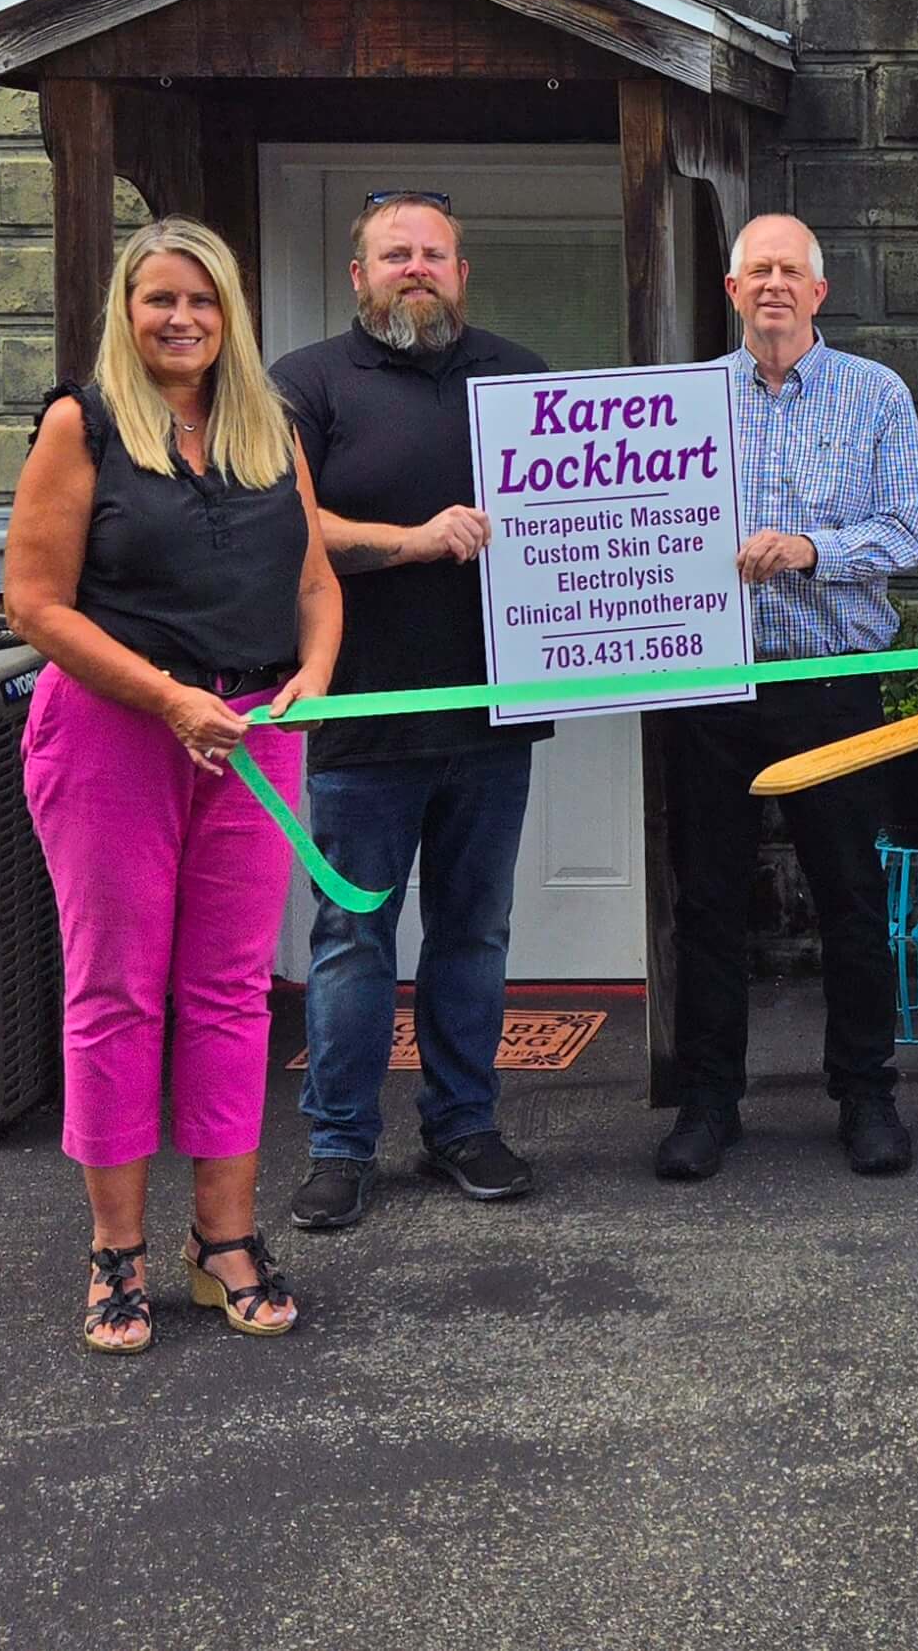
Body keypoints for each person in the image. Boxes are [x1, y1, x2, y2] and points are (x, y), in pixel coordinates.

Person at [5, 219, 341, 1350]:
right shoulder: (82, 423)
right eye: (160, 299)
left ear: (230, 310)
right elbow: (34, 605)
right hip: (116, 732)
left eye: (201, 299)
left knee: (230, 991)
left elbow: (313, 580)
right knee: (116, 991)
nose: (182, 318)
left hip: (250, 735)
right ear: (127, 308)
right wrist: (166, 696)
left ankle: (224, 1240)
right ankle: (116, 1252)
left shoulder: (267, 427)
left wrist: (313, 683)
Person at [270, 191, 549, 1232]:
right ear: (360, 275)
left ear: (463, 273)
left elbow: (588, 516)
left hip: (493, 714)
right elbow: (289, 531)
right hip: (362, 718)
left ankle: (463, 1126)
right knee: (352, 938)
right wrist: (414, 539)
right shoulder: (304, 383)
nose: (416, 267)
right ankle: (340, 1145)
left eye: (435, 253)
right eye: (396, 253)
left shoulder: (522, 379)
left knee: (475, 931)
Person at [656, 214, 918, 1184]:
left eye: (791, 271)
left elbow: (907, 532)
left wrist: (809, 548)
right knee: (708, 900)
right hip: (710, 686)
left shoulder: (876, 395)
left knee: (850, 892)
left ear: (819, 292)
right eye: (755, 270)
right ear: (730, 291)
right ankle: (706, 1099)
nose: (773, 284)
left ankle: (866, 1090)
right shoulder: (679, 404)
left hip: (833, 683)